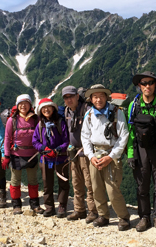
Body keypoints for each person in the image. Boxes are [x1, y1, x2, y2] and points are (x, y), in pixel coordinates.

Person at [127, 71, 156, 233]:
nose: (147, 86)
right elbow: (130, 132)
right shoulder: (133, 106)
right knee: (142, 185)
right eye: (144, 83)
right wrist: (130, 153)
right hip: (140, 149)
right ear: (139, 86)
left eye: (150, 83)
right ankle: (144, 217)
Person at [80, 84, 131, 231]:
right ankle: (103, 215)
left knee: (112, 188)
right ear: (91, 99)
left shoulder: (116, 112)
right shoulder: (89, 115)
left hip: (111, 154)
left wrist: (112, 156)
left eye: (101, 96)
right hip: (95, 154)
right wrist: (90, 156)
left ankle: (123, 217)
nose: (98, 99)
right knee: (96, 187)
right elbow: (85, 136)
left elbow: (123, 136)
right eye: (95, 97)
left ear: (106, 97)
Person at [62, 85, 98, 223]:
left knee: (89, 184)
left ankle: (93, 211)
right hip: (73, 152)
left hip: (86, 151)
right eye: (66, 97)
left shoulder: (87, 110)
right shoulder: (67, 111)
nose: (69, 99)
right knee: (76, 183)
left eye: (71, 96)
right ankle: (79, 210)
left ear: (77, 96)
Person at [2, 94, 43, 215]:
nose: (23, 106)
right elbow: (7, 137)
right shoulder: (12, 120)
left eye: (26, 103)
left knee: (33, 180)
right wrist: (6, 155)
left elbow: (41, 134)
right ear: (17, 105)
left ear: (30, 105)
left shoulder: (35, 119)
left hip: (32, 154)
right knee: (15, 181)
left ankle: (35, 204)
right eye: (21, 104)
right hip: (16, 154)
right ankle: (16, 205)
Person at [32, 98, 70, 218]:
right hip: (47, 157)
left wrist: (58, 149)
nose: (46, 110)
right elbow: (35, 141)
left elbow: (66, 140)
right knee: (47, 183)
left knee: (63, 181)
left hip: (60, 157)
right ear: (40, 111)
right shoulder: (40, 125)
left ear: (53, 109)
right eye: (44, 108)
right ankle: (49, 207)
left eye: (48, 107)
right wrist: (44, 148)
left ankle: (62, 205)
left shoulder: (60, 122)